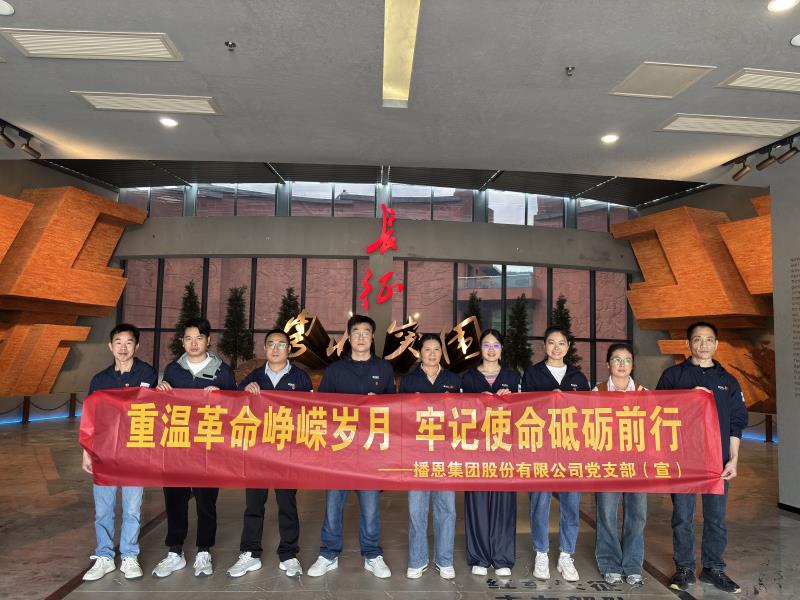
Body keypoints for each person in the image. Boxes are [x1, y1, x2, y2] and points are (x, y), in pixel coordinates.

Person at [657, 321, 748, 594]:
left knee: (716, 517)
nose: (703, 344)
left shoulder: (728, 381)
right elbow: (656, 412)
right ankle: (684, 567)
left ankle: (713, 568)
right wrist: (688, 396)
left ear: (716, 344)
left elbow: (736, 423)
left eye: (709, 339)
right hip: (683, 460)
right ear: (688, 344)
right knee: (682, 517)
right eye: (697, 339)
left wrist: (733, 459)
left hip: (716, 461)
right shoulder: (673, 376)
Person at [307, 314, 395, 579]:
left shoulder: (384, 369)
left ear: (372, 337)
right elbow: (321, 409)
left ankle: (372, 555)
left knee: (370, 507)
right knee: (333, 505)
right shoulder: (335, 370)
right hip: (340, 451)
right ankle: (328, 554)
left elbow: (395, 409)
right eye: (356, 332)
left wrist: (379, 403)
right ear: (349, 336)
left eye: (366, 332)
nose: (361, 337)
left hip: (370, 452)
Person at [152, 318, 237, 578]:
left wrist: (222, 397)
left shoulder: (223, 372)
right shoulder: (173, 370)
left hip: (208, 449)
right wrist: (159, 391)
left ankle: (203, 551)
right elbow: (162, 409)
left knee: (205, 502)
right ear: (182, 342)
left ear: (208, 340)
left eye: (199, 338)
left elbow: (236, 409)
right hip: (177, 446)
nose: (193, 343)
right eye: (188, 338)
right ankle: (175, 552)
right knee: (175, 500)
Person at [227, 328, 313, 579]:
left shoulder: (301, 378)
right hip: (258, 453)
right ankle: (250, 553)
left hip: (287, 453)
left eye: (281, 344)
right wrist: (244, 391)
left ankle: (288, 554)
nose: (276, 349)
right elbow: (233, 406)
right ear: (264, 349)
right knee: (254, 504)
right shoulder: (253, 377)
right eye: (271, 344)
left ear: (289, 349)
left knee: (287, 504)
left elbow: (311, 412)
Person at [81, 323, 158, 582]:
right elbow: (90, 418)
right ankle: (104, 556)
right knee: (103, 509)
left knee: (132, 508)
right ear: (110, 346)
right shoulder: (99, 380)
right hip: (104, 452)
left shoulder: (147, 373)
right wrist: (86, 452)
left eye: (128, 342)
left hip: (135, 451)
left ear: (137, 346)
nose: (123, 348)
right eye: (118, 342)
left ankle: (129, 555)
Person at [521, 325, 590, 583]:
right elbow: (523, 409)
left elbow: (587, 413)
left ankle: (566, 555)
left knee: (571, 504)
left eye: (561, 343)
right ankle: (541, 552)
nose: (556, 347)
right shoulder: (532, 374)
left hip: (571, 450)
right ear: (544, 346)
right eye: (551, 342)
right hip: (541, 449)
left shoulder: (578, 377)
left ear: (568, 347)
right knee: (540, 503)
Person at [399, 333, 460, 580]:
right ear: (419, 353)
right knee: (417, 509)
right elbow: (399, 416)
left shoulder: (454, 380)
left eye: (436, 349)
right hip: (417, 454)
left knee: (447, 509)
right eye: (427, 349)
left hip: (446, 454)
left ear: (441, 353)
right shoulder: (408, 381)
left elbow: (465, 414)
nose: (432, 354)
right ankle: (417, 559)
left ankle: (444, 560)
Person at [461, 329, 520, 577]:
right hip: (476, 450)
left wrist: (512, 400)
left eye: (496, 345)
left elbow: (526, 413)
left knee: (504, 502)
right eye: (486, 345)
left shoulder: (513, 377)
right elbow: (458, 413)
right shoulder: (468, 378)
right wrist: (477, 400)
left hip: (504, 449)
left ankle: (502, 558)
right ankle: (479, 557)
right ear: (480, 349)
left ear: (501, 349)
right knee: (476, 502)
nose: (491, 350)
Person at [592, 342, 647, 587]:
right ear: (608, 364)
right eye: (616, 360)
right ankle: (610, 564)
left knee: (637, 514)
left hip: (637, 464)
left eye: (627, 360)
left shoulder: (644, 393)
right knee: (606, 513)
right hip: (608, 463)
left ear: (632, 364)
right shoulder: (598, 391)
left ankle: (633, 565)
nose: (622, 365)